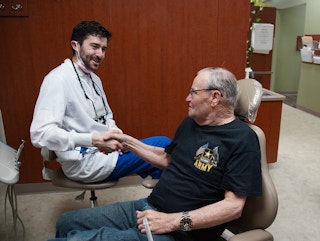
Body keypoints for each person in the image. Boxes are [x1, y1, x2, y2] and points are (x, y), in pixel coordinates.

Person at [47, 67, 262, 241]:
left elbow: (233, 207)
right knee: (67, 223)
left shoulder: (242, 140)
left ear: (215, 97)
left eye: (193, 93)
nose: (187, 98)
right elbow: (167, 159)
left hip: (182, 231)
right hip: (149, 207)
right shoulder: (192, 123)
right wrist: (128, 143)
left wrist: (172, 222)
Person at [30, 21, 171, 183]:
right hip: (84, 163)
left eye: (103, 49)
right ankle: (165, 202)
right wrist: (93, 140)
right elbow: (40, 134)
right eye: (94, 46)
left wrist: (117, 135)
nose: (100, 54)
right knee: (163, 146)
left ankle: (162, 200)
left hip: (106, 151)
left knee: (160, 157)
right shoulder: (57, 79)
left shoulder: (94, 79)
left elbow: (107, 117)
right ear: (76, 45)